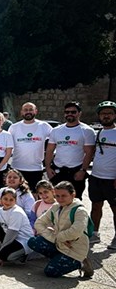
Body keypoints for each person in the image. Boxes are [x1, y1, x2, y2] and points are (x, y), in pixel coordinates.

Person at [29, 181, 94, 278]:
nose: (60, 199)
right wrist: (55, 238)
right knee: (33, 242)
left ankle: (81, 263)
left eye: (64, 196)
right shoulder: (56, 207)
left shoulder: (80, 211)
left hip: (74, 248)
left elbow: (75, 231)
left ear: (73, 194)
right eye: (57, 196)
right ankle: (60, 259)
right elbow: (39, 223)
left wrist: (58, 237)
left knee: (50, 271)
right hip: (59, 243)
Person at [45, 101, 95, 199]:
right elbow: (50, 150)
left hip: (76, 171)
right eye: (67, 112)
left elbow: (89, 153)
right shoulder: (56, 130)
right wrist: (48, 168)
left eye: (73, 112)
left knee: (75, 200)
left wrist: (83, 170)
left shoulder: (87, 131)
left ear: (79, 113)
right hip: (57, 171)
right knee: (56, 200)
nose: (70, 114)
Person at [88, 101, 116, 247]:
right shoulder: (97, 132)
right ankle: (94, 233)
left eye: (109, 113)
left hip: (112, 179)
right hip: (96, 177)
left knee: (115, 208)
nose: (106, 116)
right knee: (96, 206)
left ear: (114, 115)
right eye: (103, 113)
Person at [0, 188, 34, 264]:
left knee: (4, 256)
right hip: (12, 238)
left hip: (23, 240)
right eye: (5, 199)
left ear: (15, 201)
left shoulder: (16, 212)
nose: (8, 202)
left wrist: (2, 250)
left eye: (11, 200)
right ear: (1, 199)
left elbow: (12, 233)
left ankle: (25, 255)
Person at [9, 102, 53, 190]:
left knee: (34, 196)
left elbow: (55, 142)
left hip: (36, 169)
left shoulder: (44, 126)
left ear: (36, 111)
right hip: (17, 168)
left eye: (30, 110)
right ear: (21, 112)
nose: (28, 112)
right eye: (25, 110)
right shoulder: (14, 127)